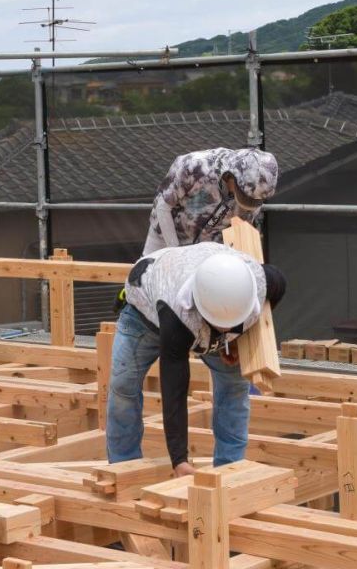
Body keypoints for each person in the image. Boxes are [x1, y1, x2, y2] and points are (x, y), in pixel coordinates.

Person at [106, 242, 287, 476]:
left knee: (234, 387)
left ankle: (229, 470)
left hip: (202, 303)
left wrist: (234, 340)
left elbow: (278, 288)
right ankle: (124, 468)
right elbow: (174, 391)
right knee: (123, 388)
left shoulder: (263, 282)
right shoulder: (177, 317)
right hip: (145, 312)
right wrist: (179, 459)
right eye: (221, 324)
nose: (227, 328)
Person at [143, 147, 279, 255]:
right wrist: (176, 252)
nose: (247, 201)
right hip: (167, 235)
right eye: (243, 194)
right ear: (231, 175)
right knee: (147, 278)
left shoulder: (256, 193)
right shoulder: (193, 167)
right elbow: (163, 206)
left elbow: (240, 230)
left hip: (210, 245)